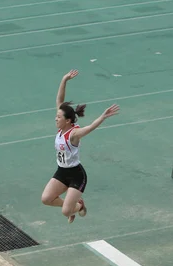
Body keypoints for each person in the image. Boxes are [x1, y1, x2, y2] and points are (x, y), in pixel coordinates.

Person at [41, 69, 119, 223]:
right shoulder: (61, 129)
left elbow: (89, 128)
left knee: (65, 212)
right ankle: (73, 206)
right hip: (62, 172)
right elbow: (60, 100)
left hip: (76, 174)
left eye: (58, 117)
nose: (55, 119)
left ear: (68, 121)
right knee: (46, 198)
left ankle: (79, 207)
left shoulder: (73, 134)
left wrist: (102, 117)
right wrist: (64, 80)